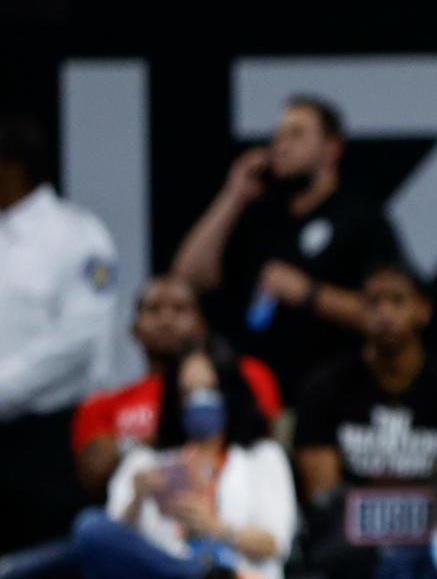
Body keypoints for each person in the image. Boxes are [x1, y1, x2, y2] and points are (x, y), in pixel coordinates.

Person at [172, 95, 402, 398]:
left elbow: (385, 315)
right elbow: (189, 276)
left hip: (333, 398)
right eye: (277, 136)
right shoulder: (258, 217)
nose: (280, 145)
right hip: (254, 398)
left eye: (296, 134)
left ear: (331, 148)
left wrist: (308, 293)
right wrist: (233, 195)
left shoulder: (362, 221)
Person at [294, 260, 437, 578]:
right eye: (374, 302)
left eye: (397, 300)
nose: (385, 313)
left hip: (431, 540)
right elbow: (323, 496)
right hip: (345, 543)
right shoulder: (324, 387)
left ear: (423, 310)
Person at [73, 342, 297, 579]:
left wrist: (217, 528)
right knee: (90, 527)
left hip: (244, 573)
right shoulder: (146, 461)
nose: (199, 401)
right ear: (175, 399)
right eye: (188, 392)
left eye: (208, 389)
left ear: (229, 392)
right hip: (170, 571)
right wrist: (137, 499)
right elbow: (110, 548)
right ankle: (204, 574)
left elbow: (276, 545)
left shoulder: (262, 457)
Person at [0, 116, 120, 551]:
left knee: (42, 561)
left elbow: (79, 341)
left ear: (12, 168)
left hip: (48, 438)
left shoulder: (77, 235)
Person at [72, 275, 282, 500]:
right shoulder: (103, 403)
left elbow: (261, 439)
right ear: (134, 328)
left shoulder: (246, 375)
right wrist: (165, 436)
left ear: (202, 324)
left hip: (233, 501)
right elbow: (94, 475)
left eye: (180, 309)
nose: (166, 319)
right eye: (153, 310)